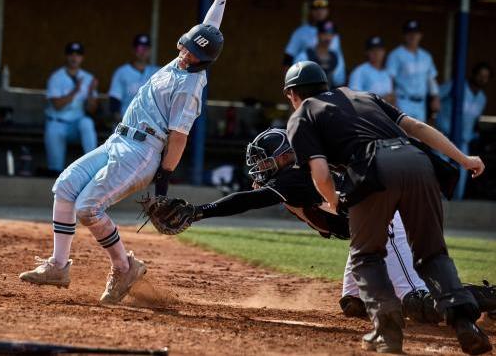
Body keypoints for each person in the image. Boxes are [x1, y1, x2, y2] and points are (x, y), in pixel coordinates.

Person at [19, 0, 242, 305]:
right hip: (118, 141)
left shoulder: (191, 85)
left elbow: (179, 138)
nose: (183, 54)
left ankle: (125, 267)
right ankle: (58, 266)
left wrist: (162, 185)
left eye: (191, 54)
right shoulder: (184, 59)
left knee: (88, 208)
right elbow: (209, 27)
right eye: (184, 48)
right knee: (64, 187)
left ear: (202, 62)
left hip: (142, 153)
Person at [143, 128, 496, 323]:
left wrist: (199, 211)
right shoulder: (298, 180)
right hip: (365, 234)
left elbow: (248, 200)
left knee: (418, 305)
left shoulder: (296, 174)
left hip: (388, 224)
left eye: (266, 162)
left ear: (284, 157)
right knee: (353, 304)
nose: (261, 169)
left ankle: (484, 299)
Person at [284, 61, 491, 354]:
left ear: (292, 94)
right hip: (418, 163)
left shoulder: (302, 114)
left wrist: (333, 201)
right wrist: (463, 159)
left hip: (374, 168)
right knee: (432, 254)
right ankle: (466, 324)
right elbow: (417, 128)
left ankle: (388, 333)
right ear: (324, 85)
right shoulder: (364, 96)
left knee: (366, 256)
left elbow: (320, 173)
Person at [437, 62, 490, 199]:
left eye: (485, 77)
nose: (482, 79)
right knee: (441, 169)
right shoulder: (456, 84)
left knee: (461, 174)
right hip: (444, 135)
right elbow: (435, 96)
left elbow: (474, 121)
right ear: (473, 74)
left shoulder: (482, 98)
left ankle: (455, 206)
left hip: (463, 141)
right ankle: (437, 203)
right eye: (480, 75)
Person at [44, 42, 99, 174]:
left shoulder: (88, 77)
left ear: (82, 58)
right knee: (55, 168)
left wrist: (91, 92)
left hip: (76, 124)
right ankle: (55, 173)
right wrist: (75, 91)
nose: (74, 58)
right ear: (66, 56)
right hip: (57, 123)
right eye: (71, 54)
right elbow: (57, 106)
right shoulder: (56, 77)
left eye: (78, 54)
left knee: (87, 122)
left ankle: (93, 167)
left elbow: (92, 110)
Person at [386, 20, 440, 123]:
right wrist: (392, 100)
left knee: (418, 136)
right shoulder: (396, 54)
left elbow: (431, 78)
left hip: (421, 103)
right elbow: (389, 78)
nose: (412, 36)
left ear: (420, 35)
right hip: (402, 101)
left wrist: (435, 96)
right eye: (409, 33)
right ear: (404, 35)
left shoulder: (426, 56)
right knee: (403, 134)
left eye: (415, 33)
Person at [282, 0, 343, 75]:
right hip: (305, 78)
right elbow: (288, 59)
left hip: (328, 80)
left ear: (328, 10)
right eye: (316, 9)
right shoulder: (301, 32)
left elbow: (339, 61)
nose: (319, 12)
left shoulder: (333, 33)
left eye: (323, 8)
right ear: (311, 11)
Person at [108, 34, 159, 120]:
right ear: (133, 50)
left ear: (150, 51)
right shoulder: (122, 72)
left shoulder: (157, 72)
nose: (143, 52)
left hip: (151, 124)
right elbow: (114, 101)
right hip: (126, 121)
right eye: (140, 48)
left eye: (146, 49)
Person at [295, 20, 345, 87]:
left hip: (330, 96)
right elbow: (296, 83)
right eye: (324, 34)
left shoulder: (336, 57)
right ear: (318, 34)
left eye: (331, 35)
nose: (328, 37)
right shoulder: (304, 56)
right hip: (308, 95)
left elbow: (339, 81)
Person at [349, 36, 395, 104]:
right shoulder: (359, 71)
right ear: (366, 52)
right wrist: (381, 99)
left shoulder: (387, 72)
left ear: (384, 52)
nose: (376, 53)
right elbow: (354, 98)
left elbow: (391, 96)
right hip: (368, 113)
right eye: (372, 50)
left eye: (379, 50)